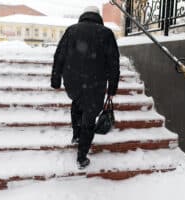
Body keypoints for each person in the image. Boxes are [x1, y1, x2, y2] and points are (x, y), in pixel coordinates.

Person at [51, 6, 120, 169]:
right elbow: (113, 63)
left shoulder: (71, 31)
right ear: (98, 16)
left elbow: (59, 55)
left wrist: (56, 79)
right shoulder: (106, 33)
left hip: (73, 81)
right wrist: (112, 89)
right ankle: (82, 156)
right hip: (95, 83)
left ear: (84, 15)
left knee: (77, 103)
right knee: (89, 117)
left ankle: (76, 135)